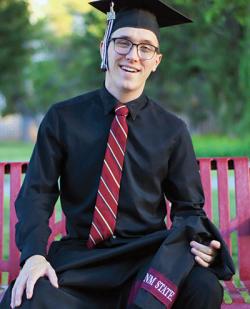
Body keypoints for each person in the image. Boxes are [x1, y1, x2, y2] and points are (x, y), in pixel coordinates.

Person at [1, 0, 234, 308]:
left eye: (145, 48)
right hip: (80, 260)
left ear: (156, 60)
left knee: (203, 287)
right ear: (104, 48)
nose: (133, 55)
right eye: (123, 42)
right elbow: (37, 194)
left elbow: (188, 209)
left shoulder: (172, 130)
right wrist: (33, 256)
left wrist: (205, 246)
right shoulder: (63, 118)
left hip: (146, 260)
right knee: (28, 297)